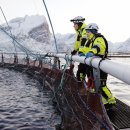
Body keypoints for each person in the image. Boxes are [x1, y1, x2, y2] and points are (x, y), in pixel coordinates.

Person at [80, 23, 116, 110]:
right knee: (97, 85)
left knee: (102, 85)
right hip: (97, 66)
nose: (87, 34)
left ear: (92, 32)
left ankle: (111, 102)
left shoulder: (99, 39)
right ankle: (104, 103)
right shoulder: (93, 40)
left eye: (88, 32)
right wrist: (84, 53)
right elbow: (91, 48)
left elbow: (99, 46)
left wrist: (92, 52)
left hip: (102, 66)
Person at [70, 16, 87, 81]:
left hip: (86, 55)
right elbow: (78, 43)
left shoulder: (85, 30)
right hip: (84, 55)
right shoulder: (79, 32)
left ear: (79, 24)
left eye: (74, 24)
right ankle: (82, 84)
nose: (73, 26)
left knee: (82, 72)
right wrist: (75, 50)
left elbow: (84, 41)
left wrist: (81, 51)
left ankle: (83, 86)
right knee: (80, 73)